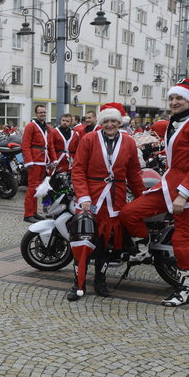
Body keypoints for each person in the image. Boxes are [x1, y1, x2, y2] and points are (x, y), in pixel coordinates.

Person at [120, 79, 189, 307]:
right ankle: (143, 250)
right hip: (169, 183)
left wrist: (184, 194)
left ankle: (185, 288)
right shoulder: (178, 121)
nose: (174, 102)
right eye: (171, 98)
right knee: (129, 212)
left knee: (182, 239)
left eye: (179, 98)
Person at [68, 102, 145, 301]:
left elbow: (134, 173)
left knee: (105, 243)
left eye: (114, 121)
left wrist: (142, 197)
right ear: (101, 122)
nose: (110, 124)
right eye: (106, 121)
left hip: (114, 199)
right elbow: (78, 170)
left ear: (119, 122)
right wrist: (83, 196)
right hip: (91, 197)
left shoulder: (128, 142)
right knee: (83, 241)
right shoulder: (89, 139)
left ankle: (100, 280)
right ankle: (79, 283)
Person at [22, 105, 55, 223]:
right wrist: (29, 160)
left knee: (39, 188)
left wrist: (54, 159)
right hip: (35, 160)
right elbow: (25, 145)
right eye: (40, 112)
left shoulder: (47, 127)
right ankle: (28, 213)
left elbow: (50, 145)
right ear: (36, 113)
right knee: (32, 187)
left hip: (43, 161)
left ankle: (34, 212)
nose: (43, 114)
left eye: (44, 112)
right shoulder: (31, 126)